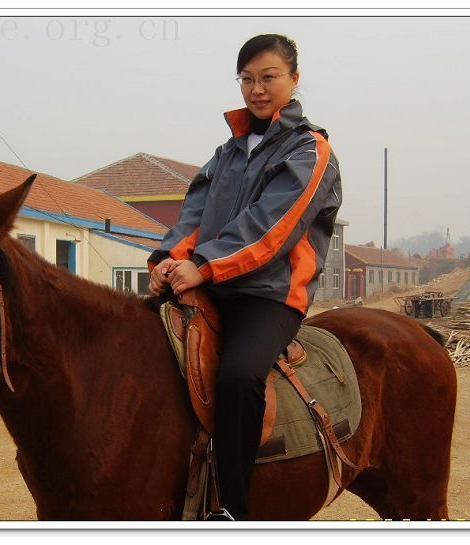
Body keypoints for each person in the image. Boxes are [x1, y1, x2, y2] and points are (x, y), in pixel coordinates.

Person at [147, 34, 342, 521]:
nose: (257, 89)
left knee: (238, 375)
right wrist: (168, 260)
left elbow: (271, 228)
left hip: (270, 296)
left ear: (294, 79)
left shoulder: (310, 150)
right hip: (208, 281)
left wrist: (205, 266)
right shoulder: (228, 152)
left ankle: (233, 509)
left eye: (269, 77)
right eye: (248, 79)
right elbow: (194, 213)